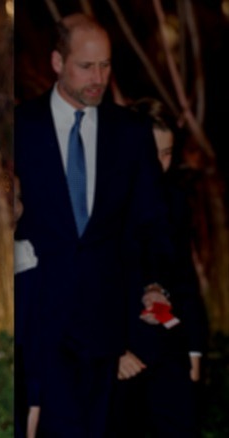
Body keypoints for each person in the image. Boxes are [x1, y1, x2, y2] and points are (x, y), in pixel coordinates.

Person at [14, 13, 175, 436]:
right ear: (56, 62)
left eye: (105, 65)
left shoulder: (131, 131)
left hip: (111, 323)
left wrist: (155, 284)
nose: (98, 77)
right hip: (42, 315)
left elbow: (154, 221)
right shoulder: (23, 126)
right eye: (86, 66)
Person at [107, 97, 210, 438]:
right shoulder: (96, 205)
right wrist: (111, 351)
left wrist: (194, 348)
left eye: (167, 154)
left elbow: (184, 277)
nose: (160, 164)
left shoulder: (174, 200)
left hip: (169, 351)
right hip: (119, 358)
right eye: (152, 153)